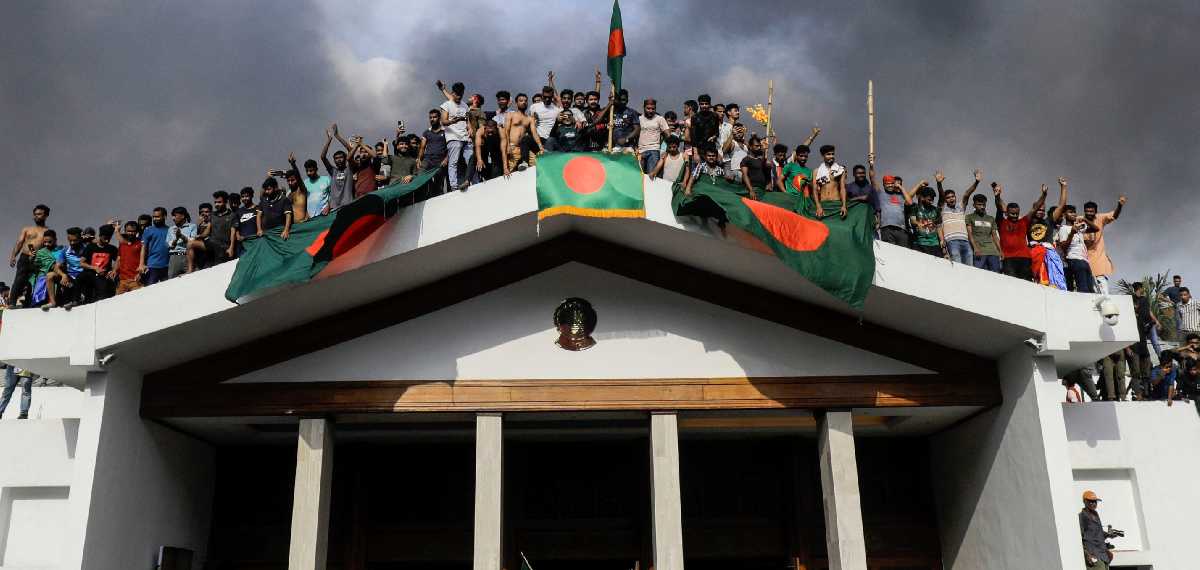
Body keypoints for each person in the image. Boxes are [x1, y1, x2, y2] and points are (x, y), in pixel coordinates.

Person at [994, 183, 1048, 281]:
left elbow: (1035, 208)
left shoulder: (1023, 221)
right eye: (1012, 213)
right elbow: (998, 207)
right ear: (1007, 213)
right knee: (1012, 283)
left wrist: (1044, 195)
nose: (1015, 216)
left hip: (1025, 258)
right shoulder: (1002, 222)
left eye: (1016, 213)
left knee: (1026, 284)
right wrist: (997, 196)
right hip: (1008, 258)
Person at [8, 204, 50, 308]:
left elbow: (50, 246)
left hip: (37, 259)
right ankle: (12, 303)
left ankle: (28, 303)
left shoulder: (47, 231)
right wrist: (13, 256)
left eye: (39, 214)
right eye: (35, 214)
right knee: (19, 280)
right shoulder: (27, 229)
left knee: (34, 281)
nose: (36, 216)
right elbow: (19, 242)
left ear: (46, 216)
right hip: (25, 257)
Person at [1082, 195, 1126, 294]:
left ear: (1095, 212)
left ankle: (1106, 298)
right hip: (1084, 256)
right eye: (1087, 211)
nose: (1089, 213)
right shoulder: (1080, 220)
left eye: (1091, 211)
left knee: (1101, 278)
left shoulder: (1100, 218)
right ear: (1084, 211)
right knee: (1090, 282)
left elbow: (1114, 215)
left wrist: (1119, 205)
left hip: (1098, 255)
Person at [937, 169, 981, 265]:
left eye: (952, 196)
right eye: (948, 197)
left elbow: (967, 194)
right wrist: (939, 184)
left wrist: (976, 182)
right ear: (945, 200)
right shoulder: (943, 208)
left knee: (969, 267)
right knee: (958, 267)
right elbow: (941, 196)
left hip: (965, 241)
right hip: (952, 242)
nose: (951, 199)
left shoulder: (961, 207)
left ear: (955, 197)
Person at [437, 81, 473, 191]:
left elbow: (468, 120)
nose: (459, 96)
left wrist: (470, 128)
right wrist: (454, 121)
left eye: (461, 94)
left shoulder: (465, 105)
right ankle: (453, 186)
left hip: (465, 137)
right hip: (453, 138)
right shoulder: (446, 105)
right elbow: (443, 121)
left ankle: (472, 182)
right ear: (453, 93)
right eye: (457, 94)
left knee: (471, 159)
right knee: (453, 162)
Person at [1056, 205, 1096, 293]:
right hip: (1074, 259)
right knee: (1083, 288)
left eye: (1074, 212)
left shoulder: (1079, 227)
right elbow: (1063, 246)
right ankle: (1084, 305)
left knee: (1091, 289)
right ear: (1064, 215)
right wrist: (1072, 233)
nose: (1074, 214)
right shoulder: (1063, 229)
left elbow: (1096, 228)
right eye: (1070, 212)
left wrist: (1085, 219)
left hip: (1084, 259)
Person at [501, 102, 544, 176]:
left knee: (537, 166)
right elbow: (506, 132)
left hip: (524, 147)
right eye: (521, 100)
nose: (524, 102)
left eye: (525, 100)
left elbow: (534, 133)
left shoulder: (529, 118)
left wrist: (540, 146)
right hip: (512, 147)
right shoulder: (511, 115)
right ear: (516, 103)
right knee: (511, 173)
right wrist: (508, 145)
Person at [79, 224, 118, 302]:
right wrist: (95, 268)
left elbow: (118, 259)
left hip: (104, 277)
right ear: (100, 236)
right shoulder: (90, 247)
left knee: (103, 295)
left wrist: (114, 270)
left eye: (109, 238)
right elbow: (82, 263)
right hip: (90, 276)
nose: (107, 240)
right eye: (105, 238)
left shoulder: (112, 248)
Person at [875, 175, 916, 246]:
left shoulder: (901, 196)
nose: (890, 185)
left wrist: (900, 187)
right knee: (891, 252)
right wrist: (871, 166)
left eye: (891, 183)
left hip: (902, 229)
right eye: (887, 184)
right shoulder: (881, 194)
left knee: (903, 253)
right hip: (887, 228)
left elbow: (910, 202)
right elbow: (873, 180)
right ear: (884, 185)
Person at [965, 193, 1002, 272]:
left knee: (996, 275)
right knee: (979, 275)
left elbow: (995, 236)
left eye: (983, 205)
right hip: (979, 251)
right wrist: (975, 248)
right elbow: (970, 234)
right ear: (974, 205)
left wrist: (1000, 250)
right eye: (979, 204)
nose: (982, 207)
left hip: (993, 252)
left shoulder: (991, 218)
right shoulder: (969, 217)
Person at [321, 125, 354, 211]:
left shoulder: (349, 169)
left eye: (341, 157)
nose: (338, 160)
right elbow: (323, 157)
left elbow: (351, 150)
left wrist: (337, 136)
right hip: (334, 208)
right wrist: (329, 140)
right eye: (336, 158)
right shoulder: (333, 171)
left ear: (345, 158)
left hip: (347, 206)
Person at [417, 110, 450, 198]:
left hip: (440, 162)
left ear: (439, 118)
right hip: (428, 160)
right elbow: (422, 147)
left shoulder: (446, 131)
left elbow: (450, 146)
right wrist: (419, 159)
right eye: (430, 117)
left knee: (439, 185)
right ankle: (426, 193)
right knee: (420, 175)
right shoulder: (426, 132)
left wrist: (446, 159)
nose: (432, 119)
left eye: (434, 117)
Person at [1079, 490, 1113, 569]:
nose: (1094, 503)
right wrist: (1087, 554)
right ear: (1085, 501)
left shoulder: (1096, 515)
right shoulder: (1082, 516)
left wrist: (1108, 535)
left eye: (1095, 502)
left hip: (1103, 554)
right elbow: (1079, 538)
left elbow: (1097, 534)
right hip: (1093, 554)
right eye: (1091, 501)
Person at [739, 135, 780, 200]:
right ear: (750, 146)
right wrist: (751, 190)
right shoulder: (746, 160)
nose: (758, 148)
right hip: (753, 189)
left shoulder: (761, 159)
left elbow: (767, 169)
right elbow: (745, 175)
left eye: (759, 146)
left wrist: (769, 183)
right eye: (756, 146)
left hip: (763, 190)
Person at [813, 145, 848, 218]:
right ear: (823, 155)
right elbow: (815, 190)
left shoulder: (840, 170)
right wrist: (818, 206)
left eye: (832, 154)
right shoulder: (817, 171)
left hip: (836, 203)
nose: (831, 156)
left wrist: (844, 206)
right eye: (828, 154)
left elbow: (842, 188)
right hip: (823, 204)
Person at [909, 183, 943, 257]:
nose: (931, 202)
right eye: (929, 200)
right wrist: (918, 223)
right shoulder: (915, 208)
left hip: (934, 244)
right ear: (922, 198)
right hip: (919, 243)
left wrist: (942, 240)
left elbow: (939, 226)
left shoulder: (936, 210)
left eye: (933, 200)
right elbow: (912, 220)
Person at [138, 208, 170, 286]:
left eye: (157, 217)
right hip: (152, 265)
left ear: (164, 217)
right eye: (154, 217)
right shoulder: (148, 230)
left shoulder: (170, 230)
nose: (155, 219)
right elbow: (143, 248)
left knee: (167, 289)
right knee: (150, 290)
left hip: (167, 265)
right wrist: (141, 264)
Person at [527, 73, 563, 142]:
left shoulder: (557, 109)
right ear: (542, 96)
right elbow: (529, 122)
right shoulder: (534, 107)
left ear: (552, 97)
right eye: (545, 97)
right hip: (538, 139)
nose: (547, 99)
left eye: (549, 97)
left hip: (552, 139)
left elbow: (558, 99)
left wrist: (550, 81)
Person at [638, 98, 670, 173]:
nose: (651, 110)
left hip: (654, 150)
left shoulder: (660, 119)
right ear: (644, 107)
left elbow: (668, 135)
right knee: (639, 175)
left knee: (651, 176)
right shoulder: (639, 119)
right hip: (640, 151)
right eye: (648, 108)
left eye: (653, 109)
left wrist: (666, 151)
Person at [165, 207, 197, 279]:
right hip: (174, 257)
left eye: (175, 215)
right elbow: (170, 245)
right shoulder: (171, 229)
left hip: (187, 256)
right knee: (172, 282)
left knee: (191, 279)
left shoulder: (192, 226)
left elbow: (192, 241)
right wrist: (176, 238)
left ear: (182, 216)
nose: (173, 218)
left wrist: (181, 236)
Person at [205, 191, 235, 265]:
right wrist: (198, 236)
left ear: (225, 202)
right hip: (211, 246)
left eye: (219, 202)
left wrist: (231, 248)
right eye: (215, 202)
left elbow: (233, 233)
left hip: (224, 248)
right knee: (192, 244)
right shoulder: (212, 215)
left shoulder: (232, 215)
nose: (216, 204)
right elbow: (207, 231)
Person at [115, 221, 143, 295]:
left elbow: (144, 260)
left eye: (133, 231)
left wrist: (140, 274)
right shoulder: (122, 244)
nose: (130, 233)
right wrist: (114, 270)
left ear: (137, 232)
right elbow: (119, 259)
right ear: (125, 231)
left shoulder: (141, 244)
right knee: (117, 303)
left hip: (135, 281)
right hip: (122, 281)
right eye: (128, 231)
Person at [232, 187, 259, 257]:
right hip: (243, 246)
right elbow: (236, 228)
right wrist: (238, 236)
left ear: (252, 196)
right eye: (243, 197)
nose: (244, 198)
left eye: (247, 196)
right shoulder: (238, 212)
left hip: (256, 243)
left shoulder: (258, 209)